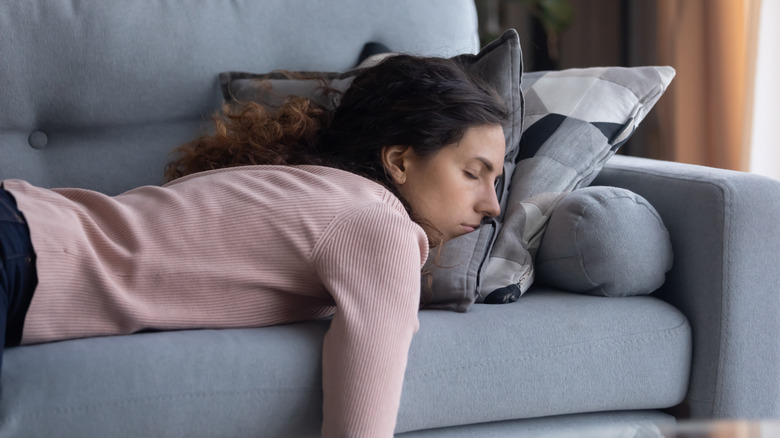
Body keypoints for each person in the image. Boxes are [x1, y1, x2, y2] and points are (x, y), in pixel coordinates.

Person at [0, 54, 508, 437]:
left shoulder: (314, 188)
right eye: (472, 174)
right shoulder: (379, 225)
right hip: (19, 251)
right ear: (399, 160)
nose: (493, 207)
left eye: (496, 183)